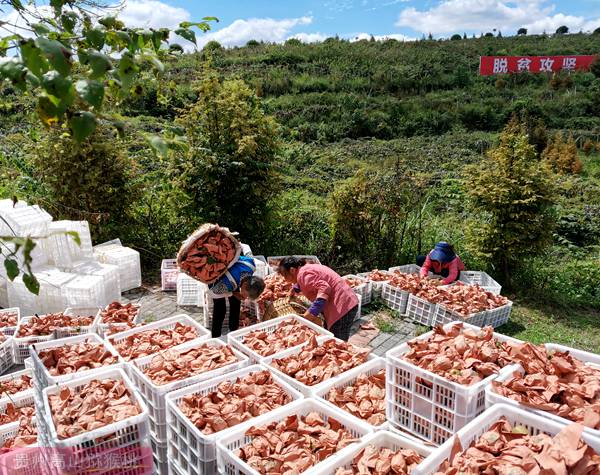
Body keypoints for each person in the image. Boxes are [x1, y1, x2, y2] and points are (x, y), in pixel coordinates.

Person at [277, 256, 359, 341]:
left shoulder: (303, 274)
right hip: (346, 302)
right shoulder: (305, 269)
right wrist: (295, 289)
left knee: (337, 341)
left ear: (292, 270)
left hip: (342, 307)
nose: (285, 279)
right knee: (330, 335)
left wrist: (311, 312)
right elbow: (311, 282)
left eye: (284, 275)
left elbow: (324, 287)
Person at [208, 255, 265, 338]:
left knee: (236, 302)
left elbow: (245, 250)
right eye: (247, 295)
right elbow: (213, 292)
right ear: (245, 284)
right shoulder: (225, 284)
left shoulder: (251, 266)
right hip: (215, 279)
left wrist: (236, 294)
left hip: (234, 276)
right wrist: (233, 293)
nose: (245, 298)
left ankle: (233, 331)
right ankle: (215, 336)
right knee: (220, 308)